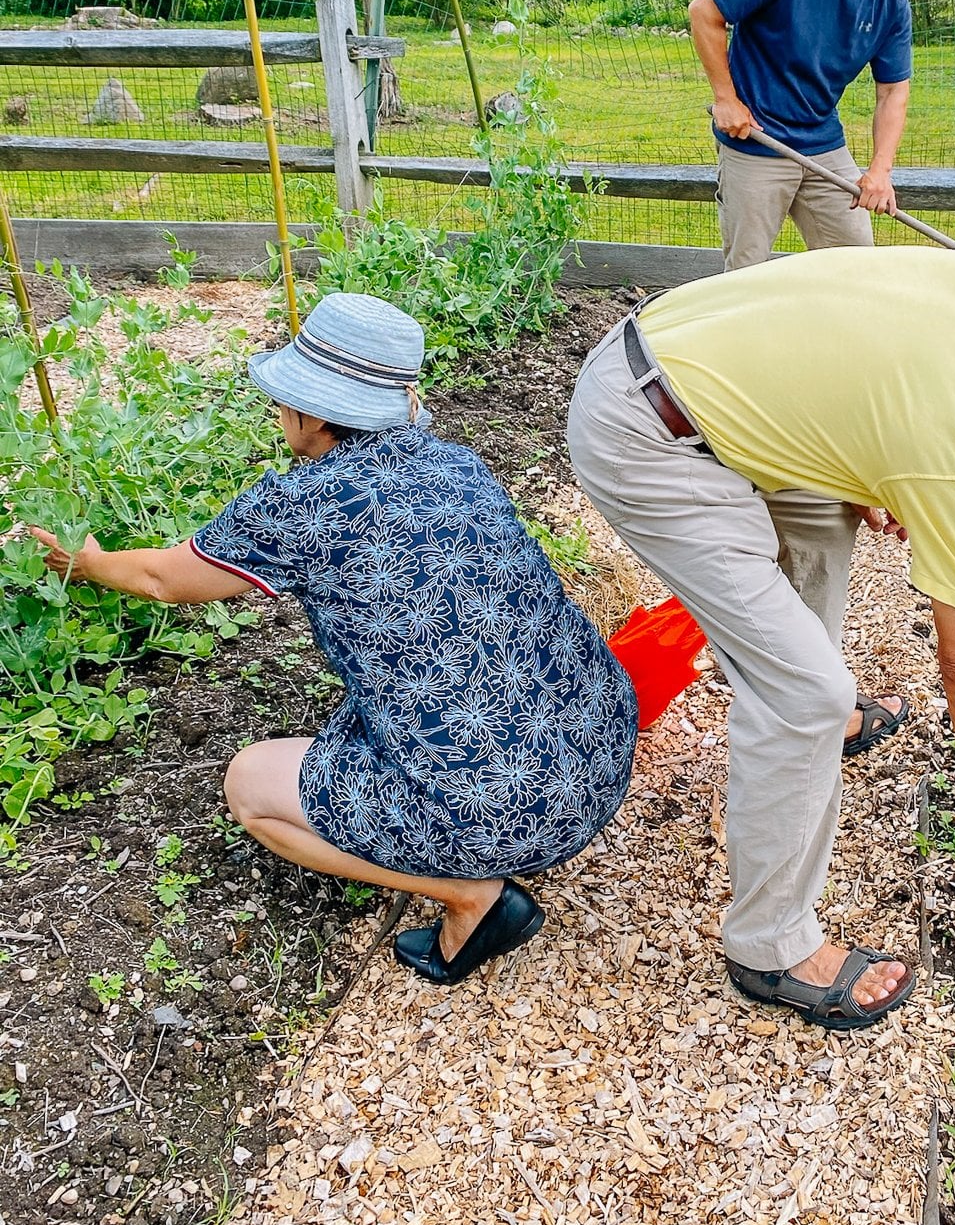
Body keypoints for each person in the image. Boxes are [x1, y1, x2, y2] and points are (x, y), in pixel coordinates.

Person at [566, 248, 955, 1032]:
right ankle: (771, 945)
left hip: (664, 359)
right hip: (643, 437)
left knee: (827, 516)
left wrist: (869, 471)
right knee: (804, 694)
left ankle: (819, 711)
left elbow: (848, 358)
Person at [31, 292, 638, 987]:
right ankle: (471, 847)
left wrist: (87, 562)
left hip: (513, 814)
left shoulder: (303, 505)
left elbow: (165, 579)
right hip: (600, 753)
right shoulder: (455, 464)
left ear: (314, 411)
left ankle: (473, 898)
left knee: (249, 786)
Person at [688, 0, 955, 272]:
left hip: (822, 144)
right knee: (745, 275)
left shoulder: (891, 2)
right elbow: (704, 10)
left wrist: (880, 171)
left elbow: (893, 91)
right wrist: (726, 99)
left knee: (854, 266)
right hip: (757, 142)